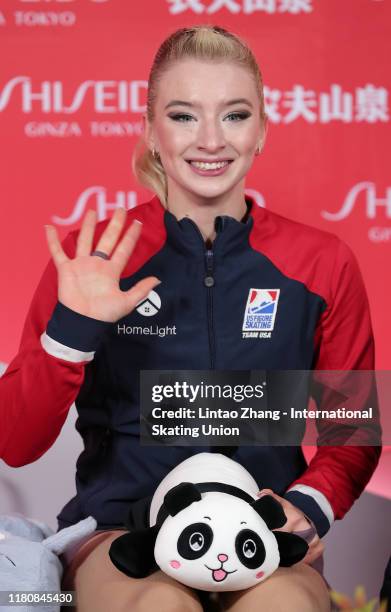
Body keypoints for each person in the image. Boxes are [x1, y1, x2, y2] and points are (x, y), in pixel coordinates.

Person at [0, 25, 381, 612]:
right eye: (183, 116)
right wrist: (73, 329)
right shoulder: (97, 257)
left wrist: (304, 507)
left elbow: (350, 429)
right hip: (120, 536)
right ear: (152, 131)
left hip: (259, 536)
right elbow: (16, 442)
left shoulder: (320, 263)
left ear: (262, 132)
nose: (210, 140)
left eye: (234, 115)